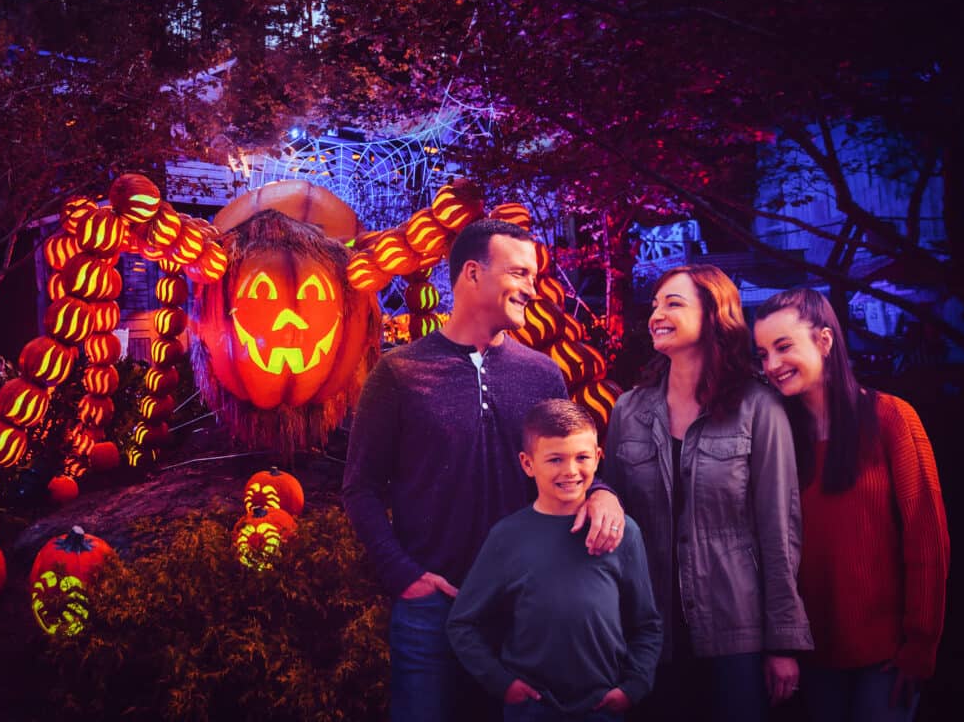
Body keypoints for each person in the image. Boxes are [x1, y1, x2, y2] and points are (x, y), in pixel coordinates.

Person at [342, 218, 626, 722]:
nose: (532, 289)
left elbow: (566, 466)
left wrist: (601, 491)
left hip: (526, 610)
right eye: (519, 273)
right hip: (433, 610)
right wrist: (403, 574)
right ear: (472, 273)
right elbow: (360, 488)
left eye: (534, 277)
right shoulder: (400, 373)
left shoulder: (542, 373)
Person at [602, 264, 812, 722]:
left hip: (736, 632)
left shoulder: (759, 408)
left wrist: (783, 641)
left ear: (714, 314)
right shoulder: (629, 410)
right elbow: (609, 507)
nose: (656, 313)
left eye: (673, 303)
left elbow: (780, 528)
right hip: (647, 634)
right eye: (655, 304)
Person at [753, 288, 949, 722]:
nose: (771, 366)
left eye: (783, 347)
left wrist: (921, 644)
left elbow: (927, 539)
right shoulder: (778, 435)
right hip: (813, 657)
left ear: (824, 341)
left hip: (887, 656)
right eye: (763, 353)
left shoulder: (891, 418)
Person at [447, 399, 662, 722]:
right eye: (555, 459)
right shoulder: (507, 537)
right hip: (532, 709)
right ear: (528, 463)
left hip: (603, 707)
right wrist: (502, 684)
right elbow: (462, 623)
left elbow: (647, 624)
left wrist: (633, 687)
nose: (571, 471)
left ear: (598, 457)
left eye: (582, 457)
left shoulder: (621, 532)